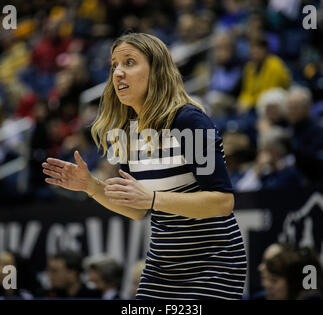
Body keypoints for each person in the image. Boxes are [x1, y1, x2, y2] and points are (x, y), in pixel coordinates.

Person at [42, 32, 247, 300]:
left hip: (212, 263)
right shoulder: (127, 132)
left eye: (129, 62)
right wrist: (90, 186)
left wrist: (153, 198)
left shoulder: (188, 121)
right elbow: (137, 210)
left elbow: (222, 202)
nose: (117, 73)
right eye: (114, 65)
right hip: (161, 268)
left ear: (157, 70)